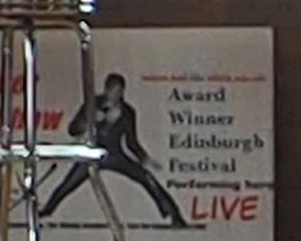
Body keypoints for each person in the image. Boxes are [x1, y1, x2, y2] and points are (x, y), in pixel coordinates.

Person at [35, 71, 189, 229]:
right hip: (93, 152)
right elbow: (73, 130)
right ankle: (46, 210)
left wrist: (144, 159)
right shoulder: (93, 104)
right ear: (106, 90)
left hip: (115, 154)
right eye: (113, 91)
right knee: (68, 183)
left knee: (146, 178)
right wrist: (89, 120)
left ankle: (173, 214)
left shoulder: (128, 112)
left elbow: (131, 143)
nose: (115, 95)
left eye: (119, 92)